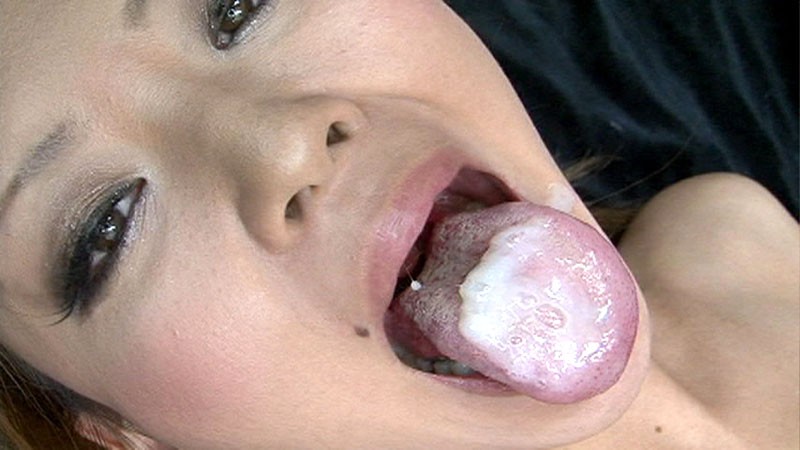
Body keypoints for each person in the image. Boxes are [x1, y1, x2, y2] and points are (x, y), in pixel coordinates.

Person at [0, 1, 796, 449]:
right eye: (105, 228)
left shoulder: (728, 228)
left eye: (239, 6)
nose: (283, 146)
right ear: (123, 436)